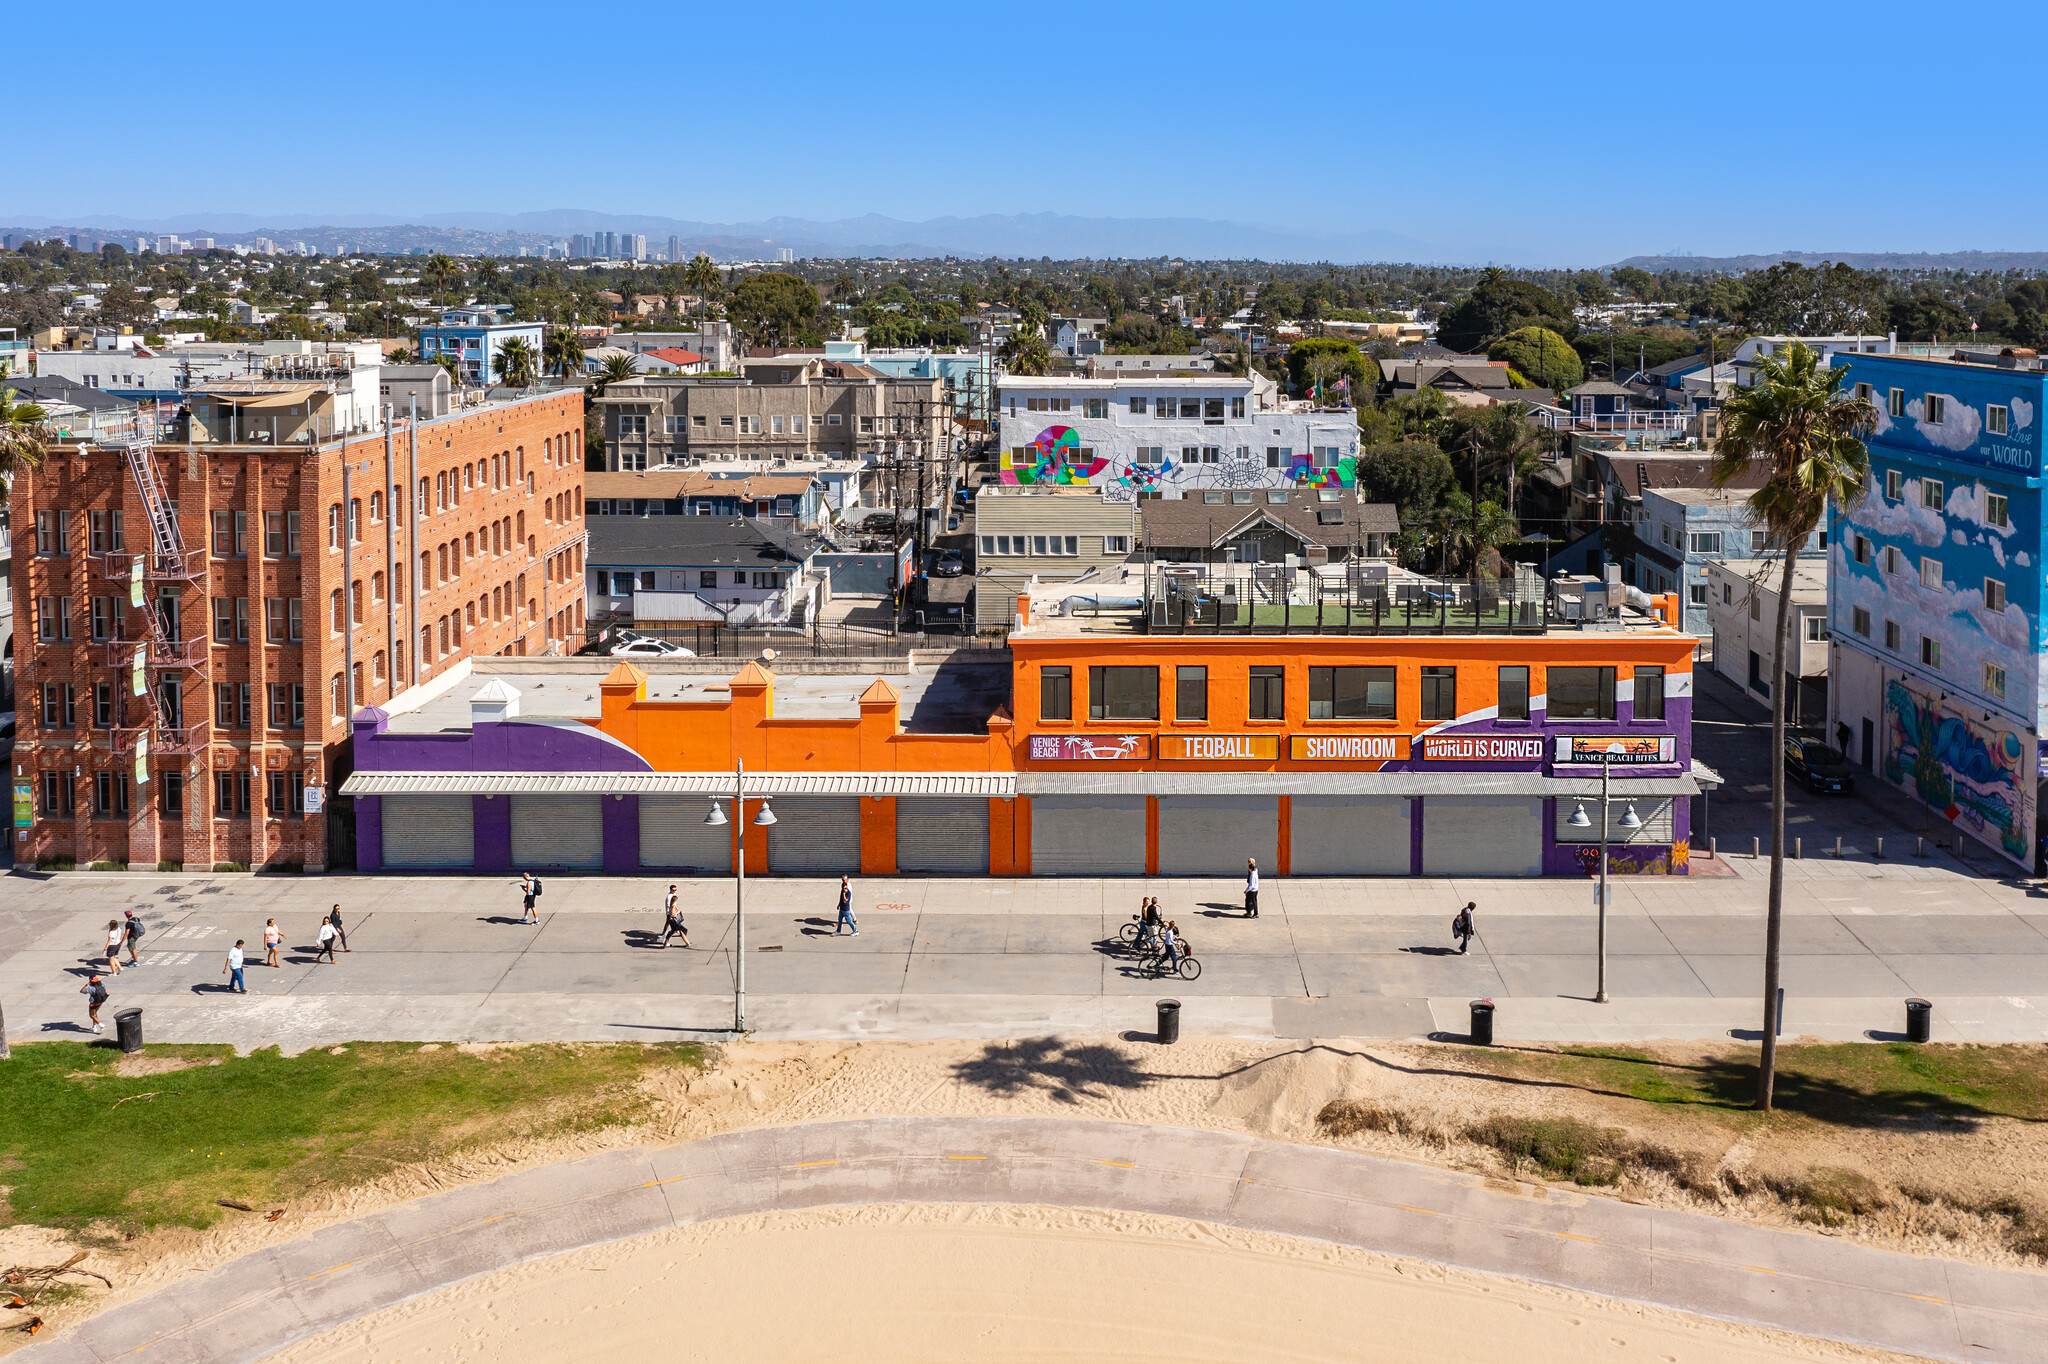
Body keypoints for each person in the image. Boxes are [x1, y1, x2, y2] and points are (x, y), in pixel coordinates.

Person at [660, 884, 690, 949]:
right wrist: (677, 912)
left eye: (676, 890)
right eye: (673, 890)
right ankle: (687, 943)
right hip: (673, 919)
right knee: (680, 930)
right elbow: (672, 911)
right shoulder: (669, 898)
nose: (675, 891)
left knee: (672, 931)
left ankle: (666, 943)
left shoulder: (673, 901)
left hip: (672, 919)